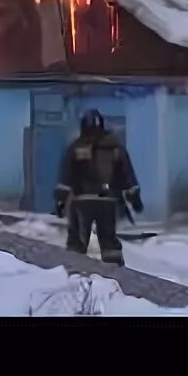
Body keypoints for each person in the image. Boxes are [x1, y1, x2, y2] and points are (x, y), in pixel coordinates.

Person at [54, 109, 142, 267]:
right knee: (108, 240)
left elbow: (66, 177)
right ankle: (117, 274)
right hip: (108, 201)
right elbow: (127, 175)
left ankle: (75, 272)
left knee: (77, 241)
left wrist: (60, 201)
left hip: (81, 202)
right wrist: (134, 198)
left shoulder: (75, 148)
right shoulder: (115, 148)